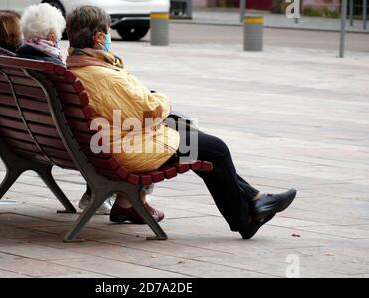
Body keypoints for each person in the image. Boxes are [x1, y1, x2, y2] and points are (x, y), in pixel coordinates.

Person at [65, 6, 297, 240]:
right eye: (107, 31)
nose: (109, 38)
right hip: (125, 149)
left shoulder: (75, 68)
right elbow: (151, 109)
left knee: (195, 138)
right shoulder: (103, 75)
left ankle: (255, 200)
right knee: (215, 149)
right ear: (99, 37)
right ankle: (246, 218)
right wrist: (162, 98)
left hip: (102, 144)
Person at [16, 3, 117, 214]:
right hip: (67, 143)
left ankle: (100, 195)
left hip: (28, 138)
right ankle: (121, 197)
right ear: (52, 37)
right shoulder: (51, 69)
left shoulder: (20, 61)